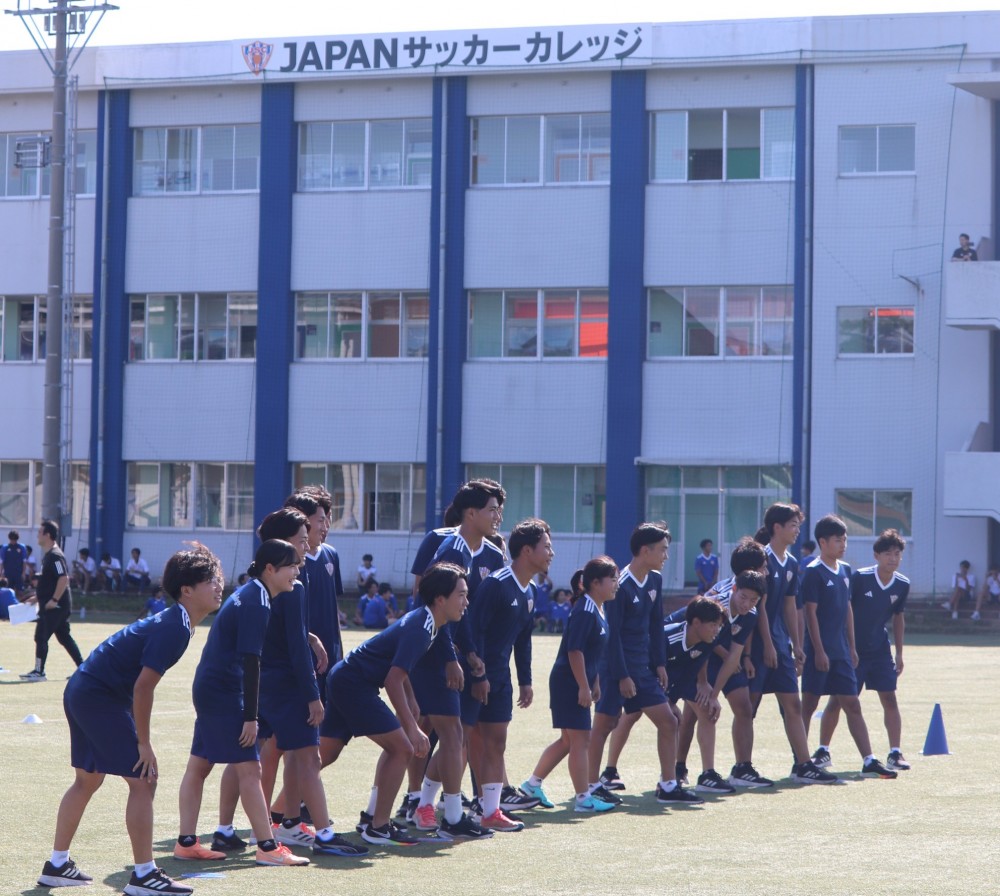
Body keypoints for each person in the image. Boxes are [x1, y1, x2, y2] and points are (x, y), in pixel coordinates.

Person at [37, 543, 223, 895]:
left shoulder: (178, 622)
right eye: (211, 580)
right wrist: (144, 742)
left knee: (88, 781)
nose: (219, 586)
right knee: (144, 779)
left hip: (84, 690)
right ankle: (143, 876)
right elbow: (143, 689)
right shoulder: (176, 627)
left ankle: (57, 864)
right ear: (187, 590)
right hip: (96, 696)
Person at [175, 539, 312, 867]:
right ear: (270, 569)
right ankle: (267, 846)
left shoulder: (255, 594)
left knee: (199, 765)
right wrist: (251, 717)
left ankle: (186, 843)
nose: (297, 570)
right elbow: (252, 662)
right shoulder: (257, 602)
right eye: (291, 565)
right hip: (222, 692)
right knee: (250, 770)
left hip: (212, 688)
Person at [323, 562, 474, 844]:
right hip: (353, 683)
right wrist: (412, 728)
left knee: (323, 755)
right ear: (440, 599)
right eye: (462, 595)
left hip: (347, 679)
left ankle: (283, 815)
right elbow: (394, 679)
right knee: (402, 748)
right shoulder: (421, 627)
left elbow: (398, 668)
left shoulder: (429, 623)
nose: (466, 601)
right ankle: (377, 827)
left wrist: (412, 700)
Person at [404, 478, 508, 829]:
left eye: (499, 509)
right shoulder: (448, 548)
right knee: (431, 727)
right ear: (470, 512)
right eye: (492, 509)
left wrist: (477, 658)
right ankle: (418, 800)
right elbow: (433, 605)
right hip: (441, 653)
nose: (498, 516)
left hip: (471, 657)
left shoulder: (494, 554)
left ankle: (439, 806)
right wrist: (452, 655)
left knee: (457, 735)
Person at [589, 522, 702, 805]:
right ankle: (591, 785)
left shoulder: (654, 580)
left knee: (668, 720)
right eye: (663, 550)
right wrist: (623, 675)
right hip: (617, 668)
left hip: (643, 668)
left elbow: (655, 626)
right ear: (644, 550)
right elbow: (612, 636)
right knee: (604, 725)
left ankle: (667, 786)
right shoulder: (622, 584)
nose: (666, 556)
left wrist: (660, 664)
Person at [465, 518, 554, 831]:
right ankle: (427, 805)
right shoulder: (496, 584)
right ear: (527, 551)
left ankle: (489, 810)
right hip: (477, 677)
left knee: (494, 743)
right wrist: (477, 675)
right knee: (463, 743)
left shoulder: (529, 591)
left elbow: (523, 638)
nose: (551, 553)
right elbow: (472, 631)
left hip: (500, 678)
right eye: (546, 546)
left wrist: (525, 680)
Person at [799, 515, 896, 779]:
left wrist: (852, 646)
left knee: (852, 704)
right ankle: (802, 762)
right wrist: (817, 650)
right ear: (822, 542)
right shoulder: (812, 572)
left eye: (845, 539)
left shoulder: (844, 570)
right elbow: (809, 614)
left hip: (841, 653)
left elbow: (848, 610)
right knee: (807, 706)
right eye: (837, 540)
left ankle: (869, 760)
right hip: (820, 652)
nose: (843, 544)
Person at [520, 556, 618, 813]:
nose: (616, 584)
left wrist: (594, 681)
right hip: (569, 681)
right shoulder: (585, 609)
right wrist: (584, 687)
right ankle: (583, 799)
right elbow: (574, 651)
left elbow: (591, 651)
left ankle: (531, 786)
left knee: (567, 741)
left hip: (577, 680)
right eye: (613, 579)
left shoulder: (597, 607)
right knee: (580, 741)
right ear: (596, 583)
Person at [748, 504, 836, 784]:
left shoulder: (791, 562)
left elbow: (789, 606)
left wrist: (797, 645)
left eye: (799, 525)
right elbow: (757, 606)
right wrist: (767, 645)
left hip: (780, 645)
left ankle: (803, 765)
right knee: (748, 707)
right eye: (794, 525)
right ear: (777, 528)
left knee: (792, 706)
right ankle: (742, 767)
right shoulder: (760, 559)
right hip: (757, 644)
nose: (798, 531)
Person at [813, 529, 911, 772]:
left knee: (890, 698)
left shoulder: (902, 584)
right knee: (838, 700)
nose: (893, 558)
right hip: (851, 651)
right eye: (888, 553)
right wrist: (846, 645)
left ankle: (895, 753)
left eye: (897, 554)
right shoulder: (860, 578)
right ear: (876, 555)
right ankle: (823, 750)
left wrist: (899, 653)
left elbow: (898, 618)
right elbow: (844, 609)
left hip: (879, 651)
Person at [663, 597, 727, 793]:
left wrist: (704, 684)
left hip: (684, 674)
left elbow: (700, 658)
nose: (717, 630)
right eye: (713, 625)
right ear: (696, 622)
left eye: (719, 625)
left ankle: (705, 774)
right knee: (629, 716)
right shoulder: (667, 638)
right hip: (653, 676)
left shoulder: (710, 637)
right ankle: (609, 771)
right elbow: (652, 670)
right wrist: (668, 701)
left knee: (706, 709)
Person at [20, 520, 85, 682]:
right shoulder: (49, 555)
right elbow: (51, 581)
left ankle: (39, 671)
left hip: (56, 606)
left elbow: (63, 579)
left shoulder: (55, 556)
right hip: (53, 604)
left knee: (41, 635)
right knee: (64, 637)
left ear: (47, 535)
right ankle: (84, 669)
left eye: (40, 532)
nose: (37, 534)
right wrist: (38, 597)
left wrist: (54, 600)